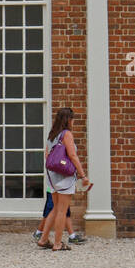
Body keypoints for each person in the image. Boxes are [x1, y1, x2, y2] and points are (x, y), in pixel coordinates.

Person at [36, 107, 89, 252]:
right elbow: (72, 155)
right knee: (62, 211)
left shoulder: (51, 135)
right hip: (64, 177)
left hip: (52, 177)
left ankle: (43, 239)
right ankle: (58, 243)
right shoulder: (67, 134)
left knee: (55, 208)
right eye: (73, 119)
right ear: (69, 120)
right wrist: (83, 175)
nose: (74, 122)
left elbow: (47, 156)